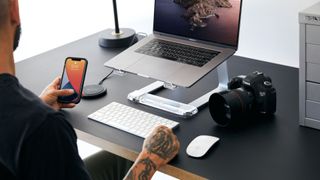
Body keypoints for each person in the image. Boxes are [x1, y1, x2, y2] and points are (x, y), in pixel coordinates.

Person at [0, 0, 180, 179]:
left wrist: (36, 109)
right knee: (138, 155)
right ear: (14, 9)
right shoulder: (45, 129)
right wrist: (149, 159)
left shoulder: (34, 124)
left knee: (120, 158)